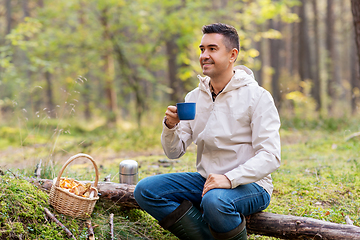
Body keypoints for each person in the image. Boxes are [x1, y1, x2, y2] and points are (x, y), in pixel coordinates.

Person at [134, 23, 281, 240]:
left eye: (212, 49)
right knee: (145, 190)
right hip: (208, 181)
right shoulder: (194, 97)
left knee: (214, 201)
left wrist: (229, 179)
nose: (204, 55)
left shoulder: (257, 97)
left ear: (232, 55)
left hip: (251, 185)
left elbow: (271, 156)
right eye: (202, 49)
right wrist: (170, 127)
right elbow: (174, 152)